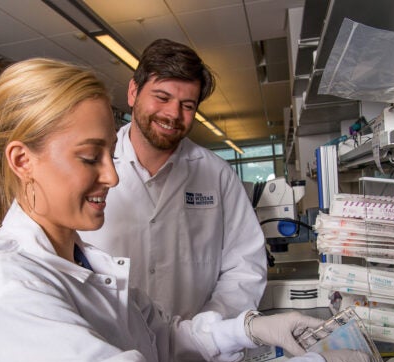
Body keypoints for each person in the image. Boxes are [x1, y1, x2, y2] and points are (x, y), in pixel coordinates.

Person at [0, 57, 380, 362]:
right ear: (23, 160)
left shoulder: (80, 262)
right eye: (90, 156)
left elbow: (158, 333)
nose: (112, 175)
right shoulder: (11, 294)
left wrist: (246, 330)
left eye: (108, 154)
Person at [80, 38, 266, 320]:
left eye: (187, 105)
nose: (173, 114)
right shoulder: (88, 167)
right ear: (133, 92)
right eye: (162, 97)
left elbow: (245, 265)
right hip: (111, 348)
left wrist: (206, 331)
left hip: (199, 353)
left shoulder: (217, 174)